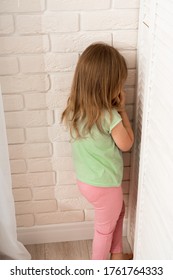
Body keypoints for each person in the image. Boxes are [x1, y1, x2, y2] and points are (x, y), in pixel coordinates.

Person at [61, 43, 134, 260]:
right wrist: (121, 110)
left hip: (87, 182)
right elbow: (126, 144)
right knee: (104, 230)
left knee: (118, 212)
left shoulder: (75, 109)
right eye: (120, 84)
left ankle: (117, 257)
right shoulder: (109, 115)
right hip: (105, 185)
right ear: (107, 86)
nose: (122, 88)